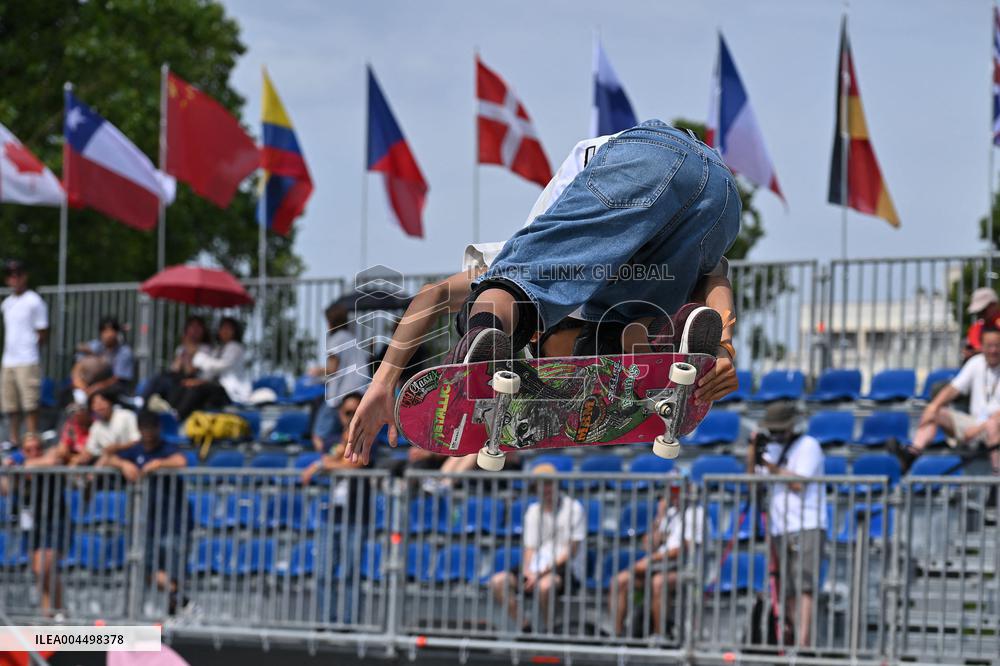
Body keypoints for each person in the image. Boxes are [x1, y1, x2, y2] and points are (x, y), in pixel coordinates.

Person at [347, 120, 741, 464]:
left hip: (647, 158)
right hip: (720, 197)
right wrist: (723, 348)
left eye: (551, 367)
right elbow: (715, 271)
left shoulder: (537, 246)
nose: (570, 377)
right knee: (623, 329)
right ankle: (676, 337)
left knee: (506, 288)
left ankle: (480, 343)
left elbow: (433, 295)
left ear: (538, 336)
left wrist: (382, 383)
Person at [747, 401, 826, 649]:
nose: (776, 433)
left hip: (807, 524)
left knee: (804, 587)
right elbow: (752, 481)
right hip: (780, 527)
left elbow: (797, 483)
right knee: (788, 590)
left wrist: (768, 465)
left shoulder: (808, 446)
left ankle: (803, 647)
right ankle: (792, 641)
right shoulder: (770, 449)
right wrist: (753, 452)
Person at [104, 410, 190, 614]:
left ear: (158, 429)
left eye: (152, 428)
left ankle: (177, 608)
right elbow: (107, 456)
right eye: (144, 429)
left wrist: (159, 464)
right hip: (146, 522)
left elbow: (181, 461)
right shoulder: (135, 450)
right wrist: (123, 463)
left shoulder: (166, 448)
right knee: (147, 569)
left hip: (172, 520)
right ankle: (182, 601)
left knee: (173, 568)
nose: (148, 433)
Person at [488, 464, 585, 631]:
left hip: (565, 568)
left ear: (557, 484)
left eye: (549, 483)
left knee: (545, 586)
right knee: (497, 582)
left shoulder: (574, 508)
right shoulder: (533, 511)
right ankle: (524, 627)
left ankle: (549, 631)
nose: (545, 488)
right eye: (541, 485)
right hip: (536, 566)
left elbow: (571, 551)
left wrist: (539, 574)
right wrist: (528, 572)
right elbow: (530, 548)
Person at [893, 326, 1000, 477]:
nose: (994, 350)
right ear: (982, 346)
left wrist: (978, 429)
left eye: (997, 345)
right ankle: (912, 453)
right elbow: (953, 388)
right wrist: (933, 406)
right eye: (990, 346)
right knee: (936, 412)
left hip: (994, 426)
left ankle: (996, 479)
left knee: (992, 425)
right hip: (975, 422)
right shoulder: (976, 363)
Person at [609, 480, 704, 637]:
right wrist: (659, 517)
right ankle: (616, 636)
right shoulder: (669, 513)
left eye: (676, 489)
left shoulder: (696, 513)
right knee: (620, 581)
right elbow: (648, 545)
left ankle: (661, 637)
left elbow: (679, 551)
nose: (673, 494)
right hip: (660, 567)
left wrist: (650, 561)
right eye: (670, 489)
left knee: (659, 582)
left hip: (687, 570)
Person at [1, 433, 69, 617]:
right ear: (23, 451)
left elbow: (53, 458)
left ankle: (59, 610)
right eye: (28, 449)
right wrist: (9, 471)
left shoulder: (49, 456)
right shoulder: (20, 469)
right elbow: (5, 490)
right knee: (40, 572)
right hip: (31, 524)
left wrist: (20, 465)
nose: (34, 452)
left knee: (44, 567)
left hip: (54, 521)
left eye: (37, 448)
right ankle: (49, 615)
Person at [1, 260, 48, 447]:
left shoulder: (34, 300)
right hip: (8, 360)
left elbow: (43, 331)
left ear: (24, 276)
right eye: (11, 275)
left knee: (30, 403)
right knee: (10, 404)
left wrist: (32, 349)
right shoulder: (6, 303)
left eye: (18, 274)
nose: (15, 278)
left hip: (27, 359)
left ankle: (31, 439)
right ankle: (13, 439)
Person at [171, 317, 251, 421]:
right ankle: (172, 412)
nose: (225, 331)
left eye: (229, 329)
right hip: (216, 388)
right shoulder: (218, 349)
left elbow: (219, 366)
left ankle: (177, 417)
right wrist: (198, 381)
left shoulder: (235, 348)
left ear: (235, 331)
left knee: (197, 390)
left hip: (230, 392)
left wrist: (196, 353)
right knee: (186, 385)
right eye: (222, 328)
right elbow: (209, 374)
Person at [143, 315, 212, 409]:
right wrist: (184, 351)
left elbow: (189, 371)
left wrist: (189, 351)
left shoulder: (205, 349)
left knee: (173, 385)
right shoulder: (181, 348)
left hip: (193, 380)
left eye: (198, 327)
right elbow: (175, 368)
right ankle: (146, 402)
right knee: (158, 379)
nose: (195, 331)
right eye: (192, 327)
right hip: (178, 377)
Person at [69, 316, 135, 400]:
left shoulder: (124, 352)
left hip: (110, 387)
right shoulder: (96, 346)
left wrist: (96, 388)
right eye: (105, 331)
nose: (108, 334)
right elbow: (78, 365)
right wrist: (78, 382)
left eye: (112, 330)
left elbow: (118, 378)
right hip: (88, 384)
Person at [72, 390, 140, 466]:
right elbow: (90, 449)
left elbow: (137, 440)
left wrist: (118, 447)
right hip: (109, 464)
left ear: (110, 402)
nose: (99, 406)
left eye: (102, 401)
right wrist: (78, 459)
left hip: (131, 459)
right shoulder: (95, 427)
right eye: (95, 403)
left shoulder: (126, 415)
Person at [963, 288, 1000, 361]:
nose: (980, 315)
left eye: (983, 310)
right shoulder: (976, 327)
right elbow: (973, 347)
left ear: (994, 305)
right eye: (978, 312)